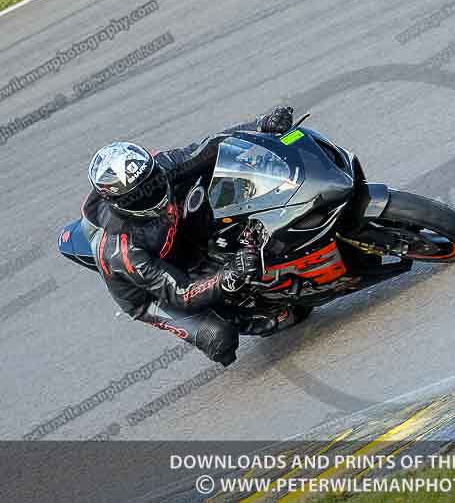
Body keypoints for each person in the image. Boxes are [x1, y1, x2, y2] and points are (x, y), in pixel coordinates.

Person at [84, 107, 307, 366]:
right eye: (142, 193)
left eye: (151, 180)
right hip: (154, 292)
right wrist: (228, 276)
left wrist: (261, 124)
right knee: (219, 337)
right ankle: (240, 316)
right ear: (122, 203)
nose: (152, 190)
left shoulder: (159, 169)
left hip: (173, 235)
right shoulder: (122, 248)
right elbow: (180, 292)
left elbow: (211, 147)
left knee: (214, 184)